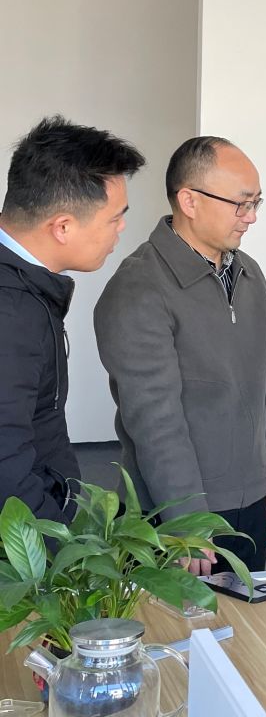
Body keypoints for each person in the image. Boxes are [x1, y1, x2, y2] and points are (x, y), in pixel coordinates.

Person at [94, 137, 266, 574]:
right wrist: (187, 520)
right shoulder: (140, 286)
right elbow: (155, 422)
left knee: (244, 615)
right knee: (176, 621)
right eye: (241, 204)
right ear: (189, 200)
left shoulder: (248, 273)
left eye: (256, 203)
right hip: (174, 514)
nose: (251, 216)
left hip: (249, 503)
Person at [0, 116, 144, 523]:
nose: (121, 228)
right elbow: (4, 467)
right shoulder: (11, 312)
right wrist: (56, 545)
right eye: (114, 217)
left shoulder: (26, 285)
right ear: (62, 226)